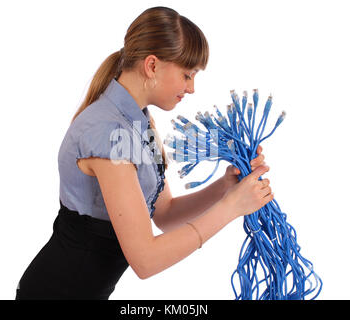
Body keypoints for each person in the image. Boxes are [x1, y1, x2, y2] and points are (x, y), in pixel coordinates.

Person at [15, 6, 272, 300]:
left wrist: (224, 189)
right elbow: (145, 260)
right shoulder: (110, 133)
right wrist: (232, 208)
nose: (191, 88)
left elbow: (163, 213)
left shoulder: (139, 121)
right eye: (187, 75)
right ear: (152, 66)